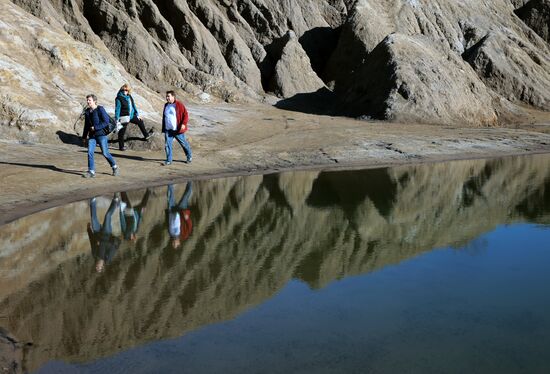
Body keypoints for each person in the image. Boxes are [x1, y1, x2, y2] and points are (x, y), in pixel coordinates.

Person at [82, 94, 119, 178]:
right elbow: (86, 125)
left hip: (101, 135)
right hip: (92, 136)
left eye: (89, 100)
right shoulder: (87, 111)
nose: (88, 102)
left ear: (94, 101)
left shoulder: (100, 109)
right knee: (90, 153)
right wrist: (84, 137)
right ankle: (91, 171)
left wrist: (95, 127)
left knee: (105, 153)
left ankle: (114, 167)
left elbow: (106, 122)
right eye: (87, 100)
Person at [87, 195, 122, 272]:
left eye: (96, 267)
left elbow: (92, 241)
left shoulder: (95, 255)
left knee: (93, 218)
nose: (97, 266)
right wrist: (102, 243)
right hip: (107, 233)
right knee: (108, 216)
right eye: (99, 268)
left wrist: (89, 230)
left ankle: (92, 201)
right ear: (102, 266)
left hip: (97, 232)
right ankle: (115, 201)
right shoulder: (108, 258)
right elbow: (112, 246)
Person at [115, 83, 152, 151]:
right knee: (121, 132)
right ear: (121, 90)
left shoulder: (129, 96)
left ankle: (146, 135)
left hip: (131, 116)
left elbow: (133, 106)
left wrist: (137, 114)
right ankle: (121, 146)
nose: (124, 91)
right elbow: (117, 109)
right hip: (124, 116)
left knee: (140, 121)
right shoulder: (119, 98)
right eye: (123, 90)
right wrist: (117, 119)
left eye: (126, 90)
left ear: (128, 91)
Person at [162, 90, 192, 165]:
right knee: (167, 145)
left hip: (177, 129)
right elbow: (165, 116)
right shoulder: (166, 105)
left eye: (168, 96)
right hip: (168, 129)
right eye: (166, 96)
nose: (167, 98)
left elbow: (185, 114)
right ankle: (169, 160)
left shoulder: (179, 105)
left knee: (183, 144)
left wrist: (183, 124)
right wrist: (164, 127)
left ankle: (189, 156)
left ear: (173, 96)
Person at [166, 182, 193, 249]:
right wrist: (187, 218)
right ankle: (190, 181)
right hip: (182, 212)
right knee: (186, 195)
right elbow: (190, 226)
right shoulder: (184, 235)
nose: (173, 243)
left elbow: (168, 223)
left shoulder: (170, 234)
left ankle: (170, 182)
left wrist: (168, 213)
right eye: (175, 244)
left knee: (170, 197)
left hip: (172, 211)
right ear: (179, 243)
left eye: (173, 244)